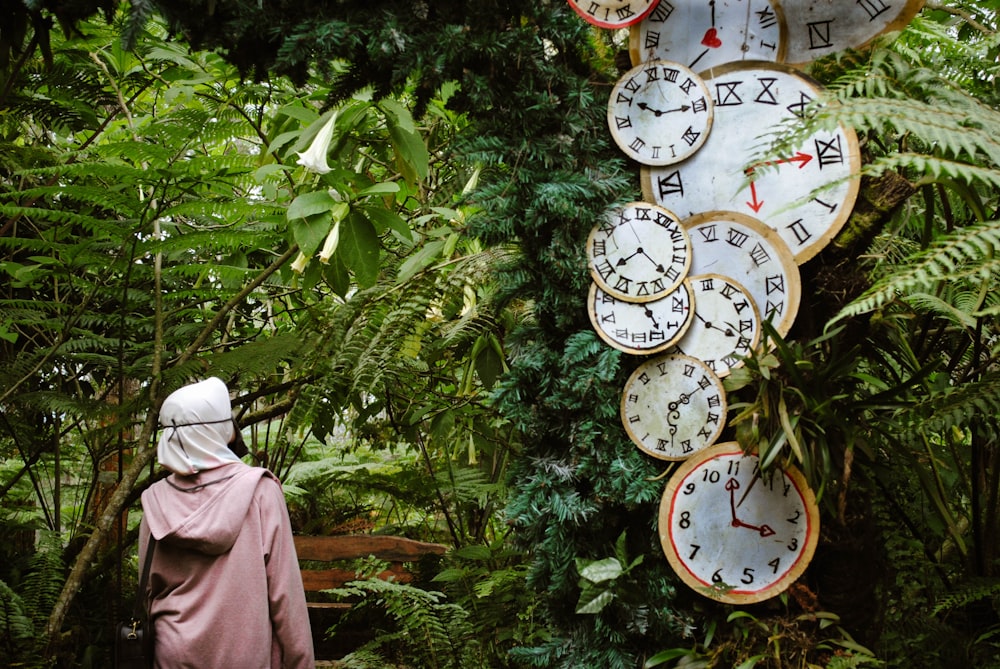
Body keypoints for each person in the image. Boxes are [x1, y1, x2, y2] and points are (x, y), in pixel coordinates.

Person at [138, 377, 315, 668]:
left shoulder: (155, 500)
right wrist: (301, 662)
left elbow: (148, 591)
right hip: (245, 654)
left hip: (172, 654)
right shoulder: (260, 491)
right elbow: (286, 595)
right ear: (222, 431)